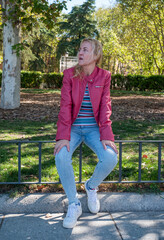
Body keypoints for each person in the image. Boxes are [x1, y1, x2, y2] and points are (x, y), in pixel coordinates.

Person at [54, 38, 118, 229]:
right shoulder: (69, 75)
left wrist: (107, 135)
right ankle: (74, 203)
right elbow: (65, 106)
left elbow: (106, 106)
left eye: (85, 50)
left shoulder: (104, 76)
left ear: (96, 55)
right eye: (79, 49)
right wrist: (63, 136)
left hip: (93, 129)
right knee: (61, 155)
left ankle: (90, 187)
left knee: (110, 158)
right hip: (72, 128)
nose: (80, 53)